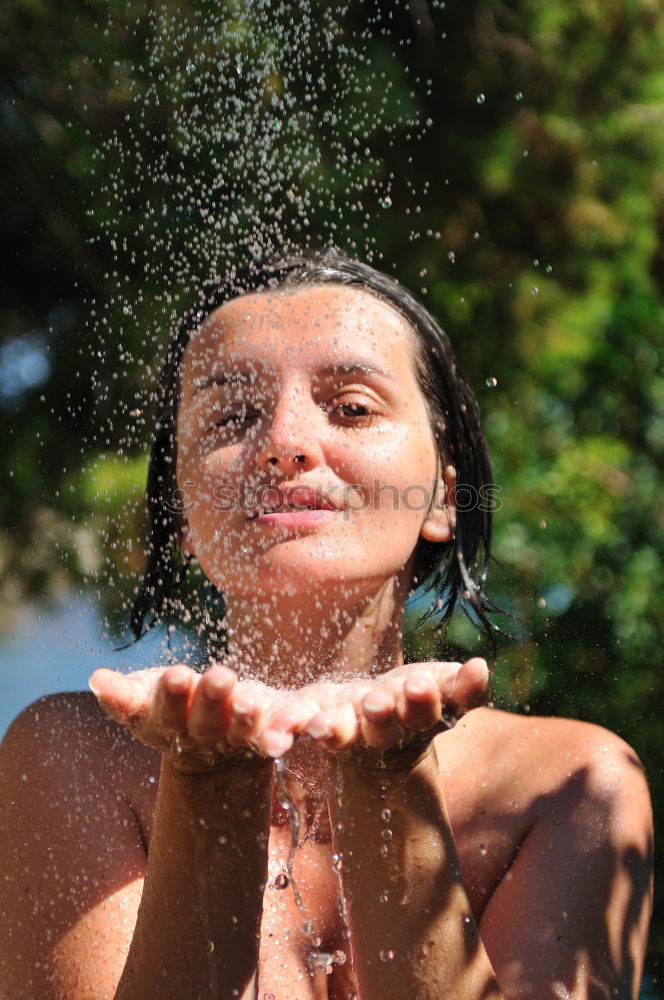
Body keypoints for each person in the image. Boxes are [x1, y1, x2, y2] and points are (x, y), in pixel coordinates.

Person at [0, 254, 653, 1000]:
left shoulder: (570, 787)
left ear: (443, 497)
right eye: (233, 416)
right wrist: (207, 787)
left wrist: (392, 784)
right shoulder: (69, 758)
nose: (284, 442)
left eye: (351, 408)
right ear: (181, 514)